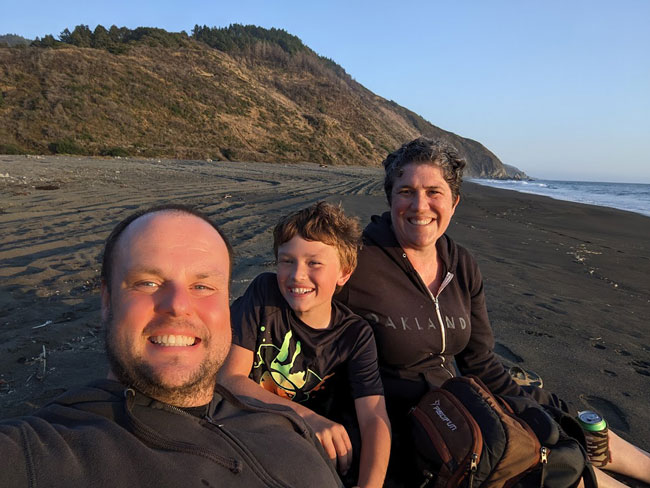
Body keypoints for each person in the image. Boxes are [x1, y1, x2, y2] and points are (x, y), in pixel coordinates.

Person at [337, 137, 650, 487]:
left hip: (463, 399)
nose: (420, 205)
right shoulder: (354, 264)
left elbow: (480, 362)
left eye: (434, 192)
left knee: (565, 425)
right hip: (407, 427)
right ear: (390, 198)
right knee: (549, 466)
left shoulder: (461, 264)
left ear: (454, 203)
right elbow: (298, 327)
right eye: (406, 191)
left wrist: (546, 408)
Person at [0, 204, 343, 488]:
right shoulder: (40, 453)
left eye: (203, 286)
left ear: (227, 305)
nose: (178, 305)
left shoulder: (286, 426)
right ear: (107, 301)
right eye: (148, 282)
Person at [218, 202, 391, 488]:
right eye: (287, 261)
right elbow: (229, 378)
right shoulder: (264, 295)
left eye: (314, 263)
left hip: (308, 450)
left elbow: (373, 415)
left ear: (344, 274)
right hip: (245, 428)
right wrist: (306, 417)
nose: (297, 275)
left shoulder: (355, 335)